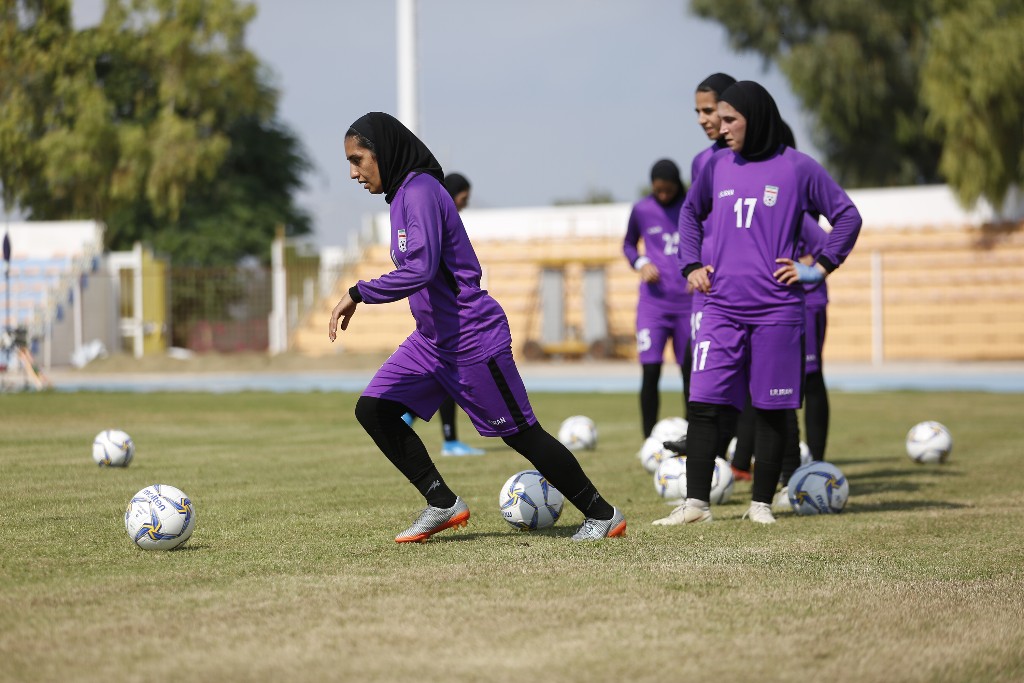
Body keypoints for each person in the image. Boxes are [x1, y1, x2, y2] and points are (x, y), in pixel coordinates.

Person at [329, 112, 626, 542]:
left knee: (522, 434)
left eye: (358, 160)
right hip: (431, 342)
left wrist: (358, 292)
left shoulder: (422, 191)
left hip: (471, 337)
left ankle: (603, 514)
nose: (353, 173)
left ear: (383, 150)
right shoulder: (400, 199)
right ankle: (441, 502)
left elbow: (423, 268)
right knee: (374, 409)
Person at [654, 81, 861, 527]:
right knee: (704, 403)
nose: (721, 128)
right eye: (719, 119)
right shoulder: (715, 166)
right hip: (721, 308)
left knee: (772, 407)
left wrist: (818, 267)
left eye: (730, 120)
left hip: (777, 312)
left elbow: (847, 215)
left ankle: (761, 505)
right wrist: (690, 263)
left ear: (757, 118)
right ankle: (695, 506)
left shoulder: (799, 168)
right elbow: (691, 213)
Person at [662, 73, 738, 461]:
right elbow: (693, 218)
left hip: (754, 288)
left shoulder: (767, 156)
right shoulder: (702, 162)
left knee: (762, 385)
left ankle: (768, 466)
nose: (702, 119)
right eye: (698, 111)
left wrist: (812, 262)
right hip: (708, 287)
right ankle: (708, 445)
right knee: (699, 362)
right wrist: (691, 263)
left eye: (708, 110)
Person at [401, 172, 487, 457]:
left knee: (444, 372)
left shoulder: (430, 216)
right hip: (444, 313)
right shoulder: (435, 219)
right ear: (453, 194)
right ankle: (448, 440)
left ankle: (410, 417)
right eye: (463, 199)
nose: (464, 205)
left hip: (437, 312)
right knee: (450, 372)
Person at [622, 159, 691, 438]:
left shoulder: (692, 207)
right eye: (659, 190)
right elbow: (628, 244)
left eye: (669, 189)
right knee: (650, 372)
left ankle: (694, 437)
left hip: (688, 305)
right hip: (653, 305)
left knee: (691, 374)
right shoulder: (641, 210)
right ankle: (648, 440)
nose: (664, 195)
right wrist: (640, 262)